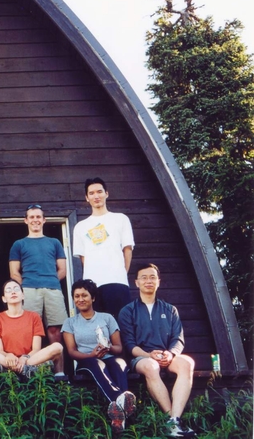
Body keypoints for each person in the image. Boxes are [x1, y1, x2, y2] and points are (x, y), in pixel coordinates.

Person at [119, 263, 195, 438]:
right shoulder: (127, 311)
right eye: (144, 277)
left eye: (152, 277)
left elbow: (178, 338)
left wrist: (171, 353)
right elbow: (129, 344)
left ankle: (174, 420)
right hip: (142, 358)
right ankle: (171, 419)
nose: (148, 281)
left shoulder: (170, 310)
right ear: (136, 282)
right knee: (151, 367)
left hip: (167, 355)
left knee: (187, 363)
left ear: (158, 282)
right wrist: (148, 355)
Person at [62, 279, 135, 433]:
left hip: (109, 357)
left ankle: (118, 417)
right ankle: (120, 399)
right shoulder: (70, 322)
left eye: (84, 295)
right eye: (76, 296)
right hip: (86, 362)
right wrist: (91, 354)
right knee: (97, 364)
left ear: (93, 298)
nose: (80, 299)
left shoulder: (107, 318)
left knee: (119, 363)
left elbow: (118, 347)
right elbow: (72, 351)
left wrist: (108, 348)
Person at [9, 203, 68, 377]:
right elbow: (14, 272)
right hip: (28, 290)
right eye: (32, 217)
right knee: (30, 332)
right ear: (26, 220)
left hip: (53, 289)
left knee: (55, 331)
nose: (35, 220)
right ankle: (30, 370)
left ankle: (59, 373)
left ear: (44, 220)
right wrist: (27, 286)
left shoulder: (54, 242)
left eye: (38, 217)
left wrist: (47, 280)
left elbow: (62, 270)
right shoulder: (19, 244)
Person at [73, 177, 135, 318]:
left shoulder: (121, 219)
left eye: (99, 192)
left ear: (106, 193)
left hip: (117, 281)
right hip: (92, 286)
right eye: (92, 193)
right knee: (98, 328)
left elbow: (127, 249)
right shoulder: (80, 227)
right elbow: (83, 258)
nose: (96, 196)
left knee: (120, 326)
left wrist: (121, 273)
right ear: (87, 197)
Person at [0, 280, 62, 378]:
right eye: (8, 290)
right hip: (6, 360)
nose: (13, 292)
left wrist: (24, 358)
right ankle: (25, 370)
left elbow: (36, 349)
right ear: (4, 298)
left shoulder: (34, 317)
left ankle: (18, 370)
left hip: (29, 359)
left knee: (57, 347)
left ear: (23, 295)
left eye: (16, 289)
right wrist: (8, 356)